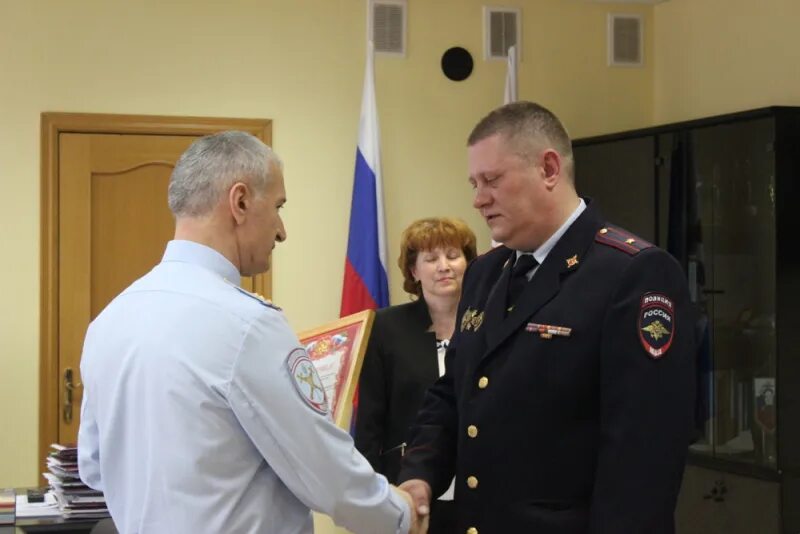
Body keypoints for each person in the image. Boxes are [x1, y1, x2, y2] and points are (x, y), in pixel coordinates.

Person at [77, 131, 425, 534]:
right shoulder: (246, 326)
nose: (281, 231)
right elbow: (323, 469)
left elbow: (94, 466)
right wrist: (400, 515)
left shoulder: (110, 319)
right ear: (240, 202)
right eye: (278, 206)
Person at [397, 102, 697, 534]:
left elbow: (643, 456)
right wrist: (420, 475)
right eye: (474, 183)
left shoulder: (631, 273)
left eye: (492, 180)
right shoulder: (484, 272)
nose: (478, 199)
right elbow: (453, 394)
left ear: (549, 169)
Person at [355, 217, 478, 534]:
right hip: (409, 489)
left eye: (453, 255)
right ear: (413, 271)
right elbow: (371, 421)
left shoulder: (487, 323)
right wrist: (370, 499)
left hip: (478, 490)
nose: (444, 267)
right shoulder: (385, 328)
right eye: (431, 259)